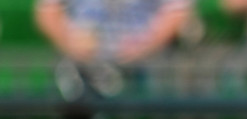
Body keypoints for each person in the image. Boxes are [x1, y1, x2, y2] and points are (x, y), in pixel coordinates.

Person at [34, 0, 192, 96]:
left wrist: (143, 46)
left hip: (144, 65)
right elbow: (47, 12)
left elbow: (177, 12)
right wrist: (71, 42)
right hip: (83, 65)